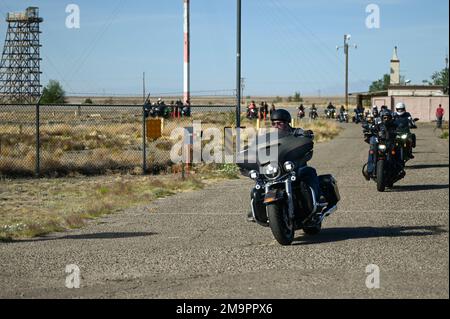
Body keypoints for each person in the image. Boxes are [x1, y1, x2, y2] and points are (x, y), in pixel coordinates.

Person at [247, 109, 323, 222]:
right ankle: (257, 211)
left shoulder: (296, 132)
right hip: (275, 170)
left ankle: (318, 199)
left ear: (287, 123)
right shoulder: (267, 137)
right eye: (274, 123)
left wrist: (307, 135)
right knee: (257, 187)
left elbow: (306, 138)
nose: (276, 126)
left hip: (295, 168)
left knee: (309, 173)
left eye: (279, 123)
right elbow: (255, 146)